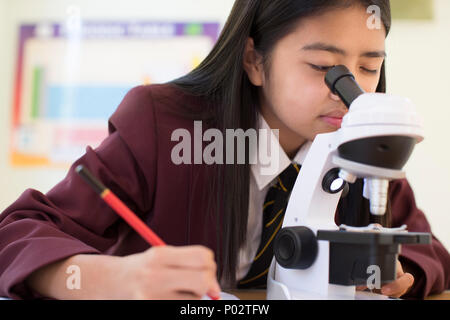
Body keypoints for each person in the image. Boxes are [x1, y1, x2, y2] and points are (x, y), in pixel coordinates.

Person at [0, 0, 449, 300]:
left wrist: (396, 274)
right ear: (254, 59)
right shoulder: (164, 126)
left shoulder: (360, 139)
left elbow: (428, 250)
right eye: (324, 68)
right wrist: (112, 278)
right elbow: (18, 233)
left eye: (369, 67)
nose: (349, 92)